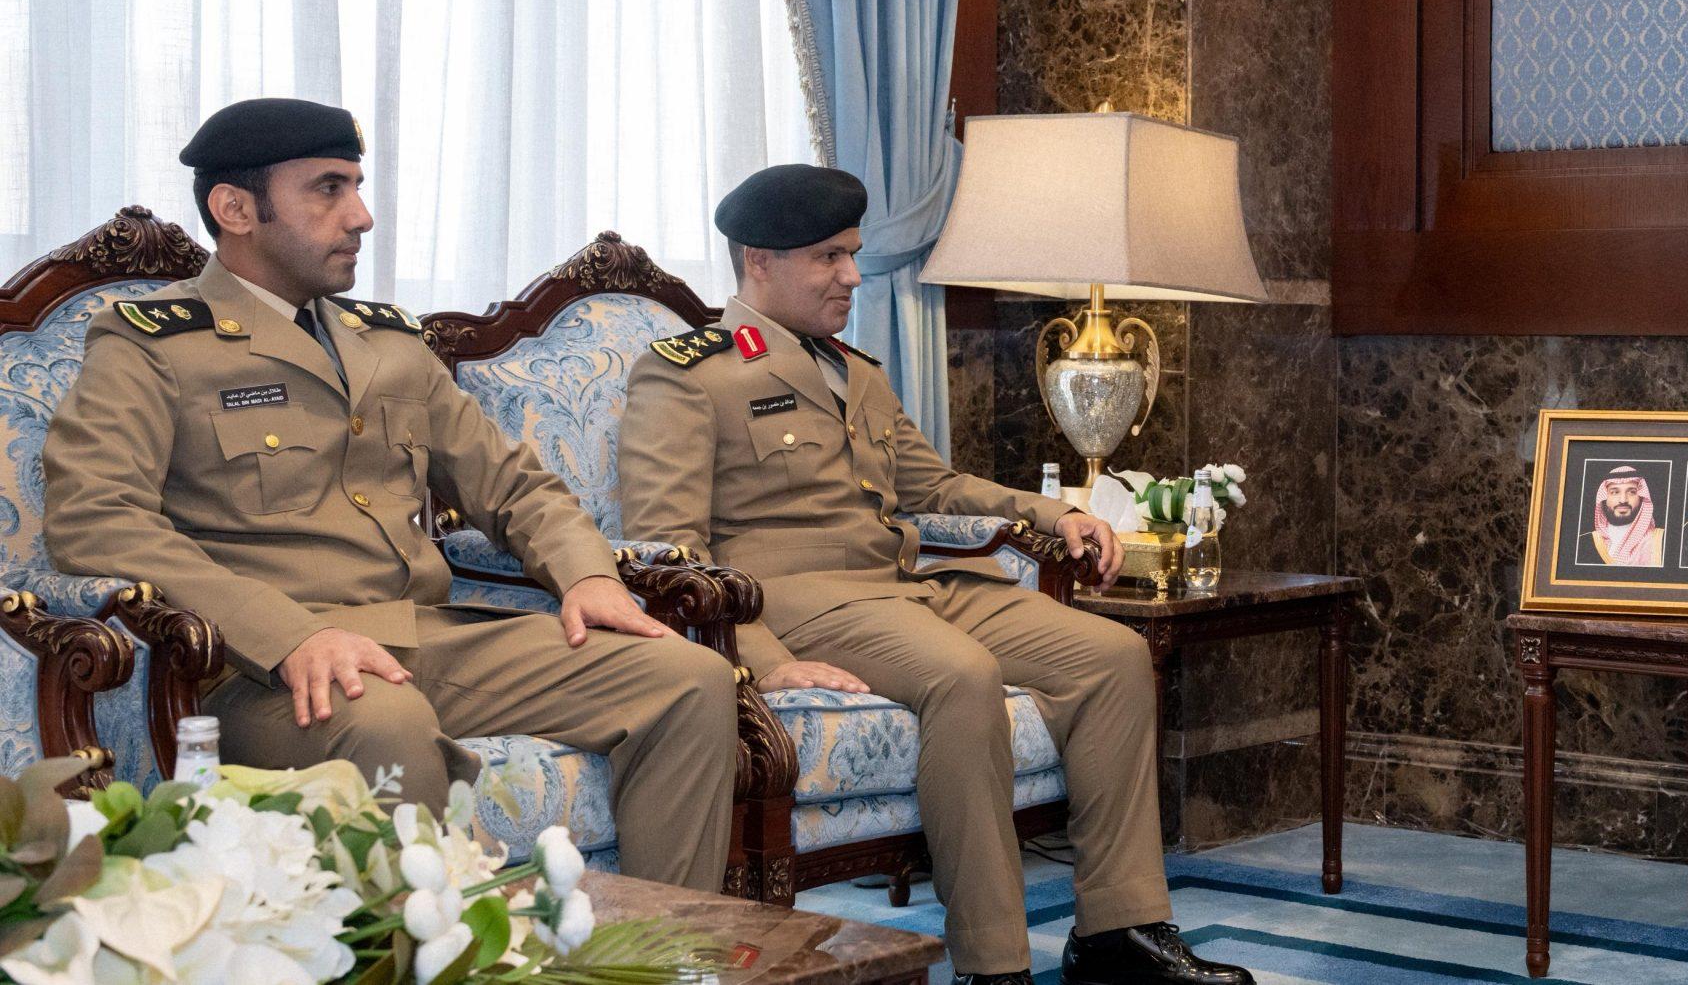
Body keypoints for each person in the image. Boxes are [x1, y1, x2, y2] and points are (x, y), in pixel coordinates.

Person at [42, 98, 737, 890]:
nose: (361, 216)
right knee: (386, 723)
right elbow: (96, 520)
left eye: (358, 187)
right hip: (268, 670)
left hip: (422, 637)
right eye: (328, 189)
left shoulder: (387, 343)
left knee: (688, 678)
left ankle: (665, 944)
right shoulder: (152, 344)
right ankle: (435, 949)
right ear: (234, 209)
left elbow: (512, 483)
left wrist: (587, 575)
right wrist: (288, 635)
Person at [616, 164, 1251, 985]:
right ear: (759, 261)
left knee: (1113, 657)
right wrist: (762, 659)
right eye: (829, 257)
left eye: (853, 254)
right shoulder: (687, 373)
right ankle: (995, 963)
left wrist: (1054, 514)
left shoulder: (856, 370)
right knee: (962, 675)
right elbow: (666, 550)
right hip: (800, 604)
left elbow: (937, 486)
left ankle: (1117, 931)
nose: (852, 276)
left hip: (905, 587)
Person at [1582, 466, 1665, 566]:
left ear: (1641, 497)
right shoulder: (1583, 542)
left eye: (1631, 492)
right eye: (1615, 492)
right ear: (1604, 498)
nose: (1623, 500)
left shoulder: (1661, 540)